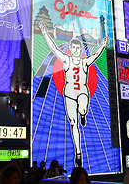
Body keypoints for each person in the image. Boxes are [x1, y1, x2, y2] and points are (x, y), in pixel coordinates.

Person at [39, 21, 108, 167]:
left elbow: (95, 55)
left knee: (82, 109)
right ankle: (78, 152)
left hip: (82, 92)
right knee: (73, 123)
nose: (76, 50)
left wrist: (102, 45)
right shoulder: (66, 59)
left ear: (81, 49)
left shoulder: (84, 61)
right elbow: (54, 48)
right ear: (71, 48)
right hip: (69, 94)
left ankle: (83, 114)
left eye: (78, 47)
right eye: (74, 47)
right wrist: (45, 33)